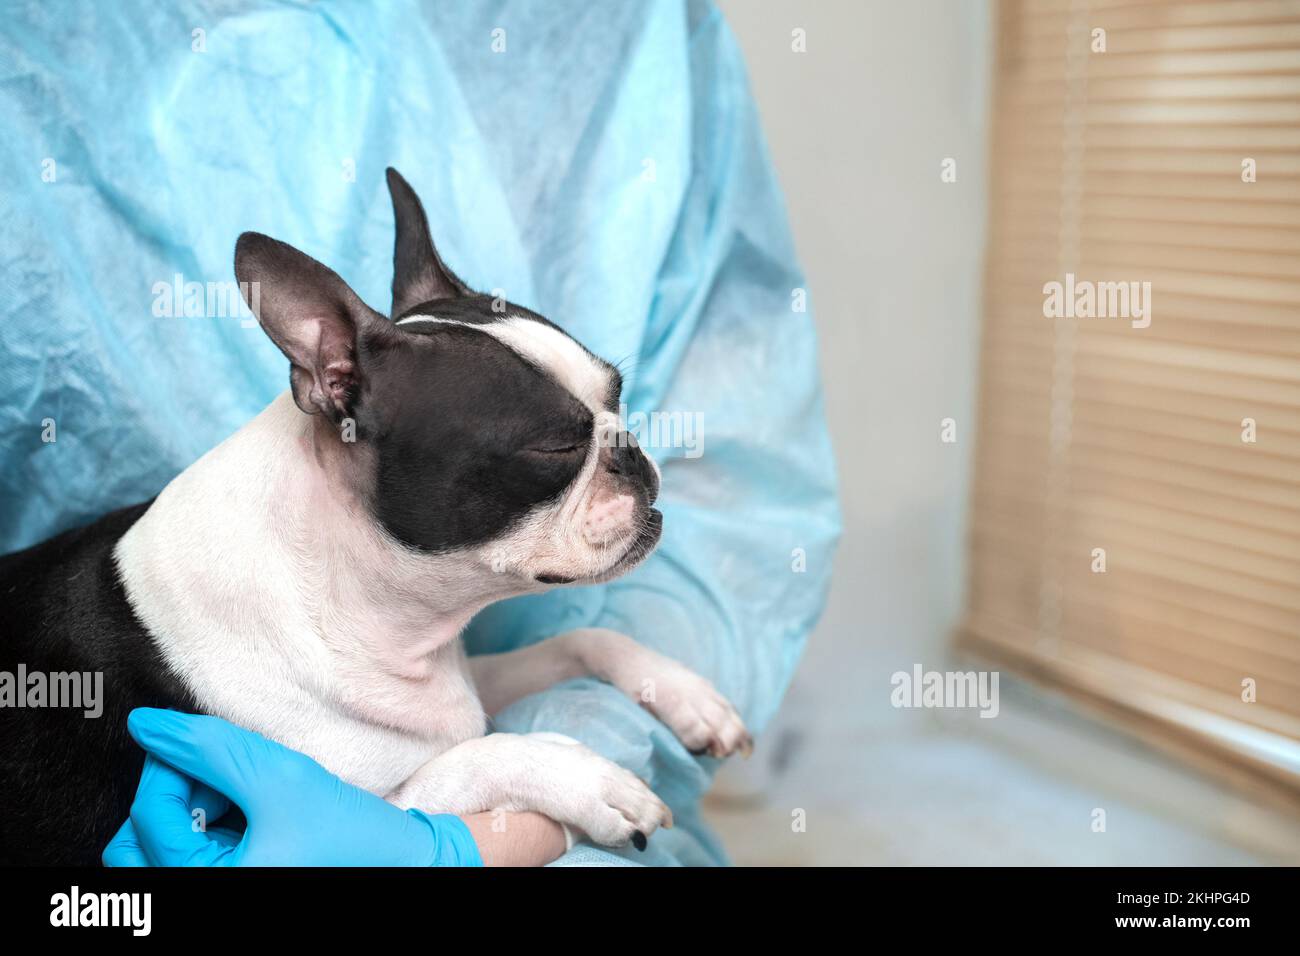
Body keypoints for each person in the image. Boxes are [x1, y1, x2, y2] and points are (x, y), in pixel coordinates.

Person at [3, 0, 840, 867]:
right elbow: (335, 827)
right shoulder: (213, 651)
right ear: (340, 393)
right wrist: (502, 773)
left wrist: (599, 656)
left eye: (608, 417)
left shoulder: (364, 624)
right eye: (561, 451)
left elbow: (411, 764)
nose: (625, 462)